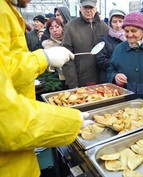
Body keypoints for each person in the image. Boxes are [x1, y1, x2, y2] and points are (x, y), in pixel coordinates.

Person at [0, 0, 92, 176]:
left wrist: (42, 59)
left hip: (17, 159)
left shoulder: (8, 9)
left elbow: (5, 70)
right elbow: (6, 118)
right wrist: (71, 122)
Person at [107, 12, 143, 99]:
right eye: (126, 31)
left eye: (134, 31)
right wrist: (115, 76)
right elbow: (110, 70)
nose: (129, 35)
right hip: (126, 102)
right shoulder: (119, 48)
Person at [62, 0, 109, 88]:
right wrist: (73, 84)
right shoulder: (70, 27)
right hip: (82, 79)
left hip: (103, 79)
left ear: (96, 8)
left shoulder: (104, 27)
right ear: (80, 8)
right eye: (85, 7)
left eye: (91, 7)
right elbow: (66, 58)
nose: (88, 10)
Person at [96, 9, 126, 83]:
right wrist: (122, 64)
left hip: (126, 79)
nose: (118, 25)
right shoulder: (104, 40)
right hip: (109, 79)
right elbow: (101, 61)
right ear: (110, 23)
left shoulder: (130, 38)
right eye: (114, 22)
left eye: (120, 21)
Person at [42, 17, 68, 90]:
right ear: (48, 31)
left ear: (62, 27)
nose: (55, 30)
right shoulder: (48, 46)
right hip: (59, 79)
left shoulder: (69, 40)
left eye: (57, 27)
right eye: (51, 28)